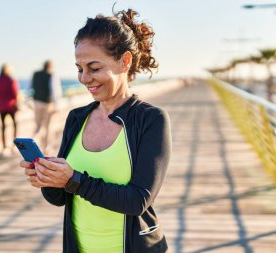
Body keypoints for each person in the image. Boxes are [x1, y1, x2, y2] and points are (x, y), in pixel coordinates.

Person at [19, 8, 172, 253]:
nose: (84, 78)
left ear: (125, 61)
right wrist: (48, 179)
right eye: (79, 68)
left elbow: (138, 200)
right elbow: (61, 198)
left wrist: (73, 179)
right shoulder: (77, 118)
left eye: (94, 67)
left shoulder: (150, 119)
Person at [31, 60, 62, 153]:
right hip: (47, 104)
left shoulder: (35, 74)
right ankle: (46, 148)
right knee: (48, 126)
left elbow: (30, 87)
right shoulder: (52, 75)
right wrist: (57, 105)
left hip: (36, 102)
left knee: (38, 126)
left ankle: (33, 146)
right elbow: (55, 91)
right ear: (50, 66)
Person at [0, 64, 19, 154]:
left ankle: (4, 146)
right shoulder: (11, 80)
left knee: (3, 126)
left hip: (1, 107)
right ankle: (14, 145)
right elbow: (15, 93)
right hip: (11, 106)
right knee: (14, 125)